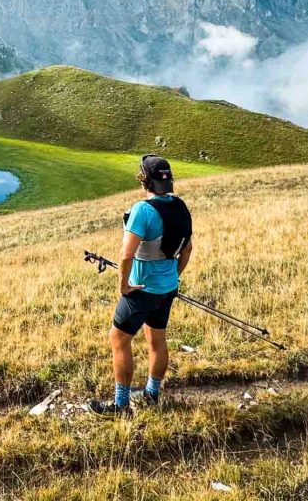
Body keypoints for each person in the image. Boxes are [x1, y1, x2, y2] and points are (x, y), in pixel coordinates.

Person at [88, 154, 193, 418]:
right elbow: (187, 250)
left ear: (144, 181)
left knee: (118, 339)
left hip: (141, 290)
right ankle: (152, 394)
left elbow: (126, 255)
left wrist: (124, 285)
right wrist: (172, 277)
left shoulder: (142, 210)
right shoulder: (180, 206)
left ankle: (121, 405)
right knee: (157, 339)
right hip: (166, 289)